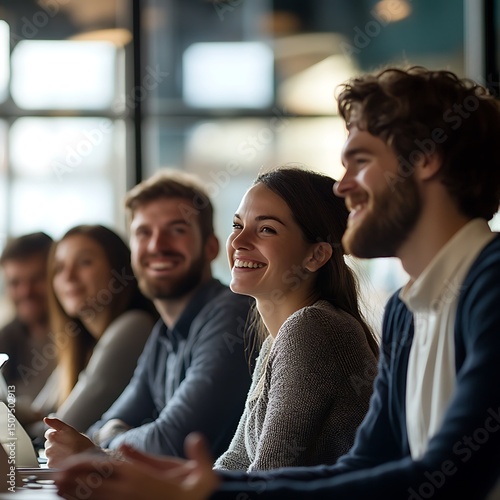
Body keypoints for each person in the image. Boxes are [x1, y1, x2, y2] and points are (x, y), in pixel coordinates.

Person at [54, 66, 500, 500]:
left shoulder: (491, 281)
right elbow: (366, 465)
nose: (343, 187)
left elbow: (450, 476)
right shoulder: (408, 309)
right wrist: (195, 485)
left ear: (425, 160)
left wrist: (201, 491)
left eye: (360, 162)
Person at [44, 169, 255, 467]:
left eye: (177, 230)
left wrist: (107, 444)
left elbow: (172, 442)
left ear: (210, 247)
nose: (157, 245)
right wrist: (109, 438)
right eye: (144, 233)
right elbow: (97, 429)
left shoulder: (231, 312)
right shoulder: (162, 333)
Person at [213, 167, 378, 472]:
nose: (238, 242)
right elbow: (235, 463)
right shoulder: (279, 340)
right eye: (237, 225)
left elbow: (268, 478)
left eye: (266, 229)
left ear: (315, 255)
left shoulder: (312, 328)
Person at [28, 224, 157, 438]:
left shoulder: (134, 325)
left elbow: (60, 427)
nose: (68, 276)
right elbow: (39, 411)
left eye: (84, 263)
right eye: (59, 268)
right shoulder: (83, 343)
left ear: (118, 270)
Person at [0, 232, 55, 425]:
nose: (26, 292)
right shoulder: (5, 338)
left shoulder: (81, 340)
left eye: (37, 279)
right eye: (15, 283)